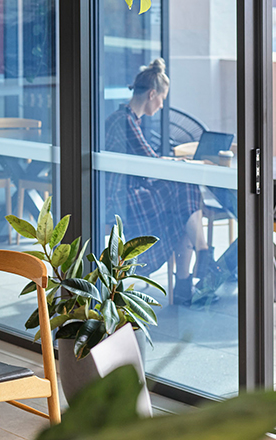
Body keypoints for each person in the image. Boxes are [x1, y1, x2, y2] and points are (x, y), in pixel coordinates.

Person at [103, 59, 224, 305]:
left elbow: (148, 160)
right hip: (121, 198)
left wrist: (177, 164)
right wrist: (181, 165)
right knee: (185, 190)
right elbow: (151, 162)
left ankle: (187, 281)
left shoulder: (127, 119)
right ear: (152, 94)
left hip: (132, 191)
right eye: (161, 99)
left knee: (182, 204)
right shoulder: (124, 120)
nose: (160, 106)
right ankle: (201, 258)